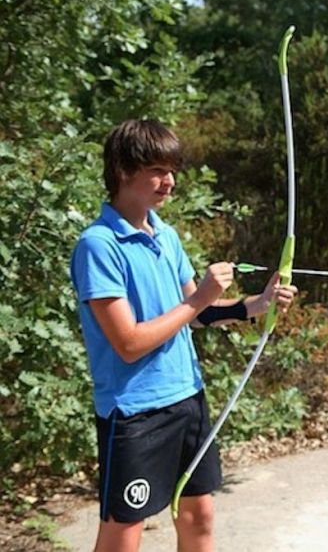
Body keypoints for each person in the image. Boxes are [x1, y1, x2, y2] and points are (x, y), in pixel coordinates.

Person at [70, 119, 298, 552]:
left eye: (172, 170)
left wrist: (255, 305)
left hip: (186, 398)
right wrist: (200, 300)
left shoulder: (166, 236)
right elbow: (129, 342)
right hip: (135, 412)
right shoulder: (98, 246)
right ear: (122, 170)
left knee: (199, 516)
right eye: (157, 170)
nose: (169, 182)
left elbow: (197, 314)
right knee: (124, 534)